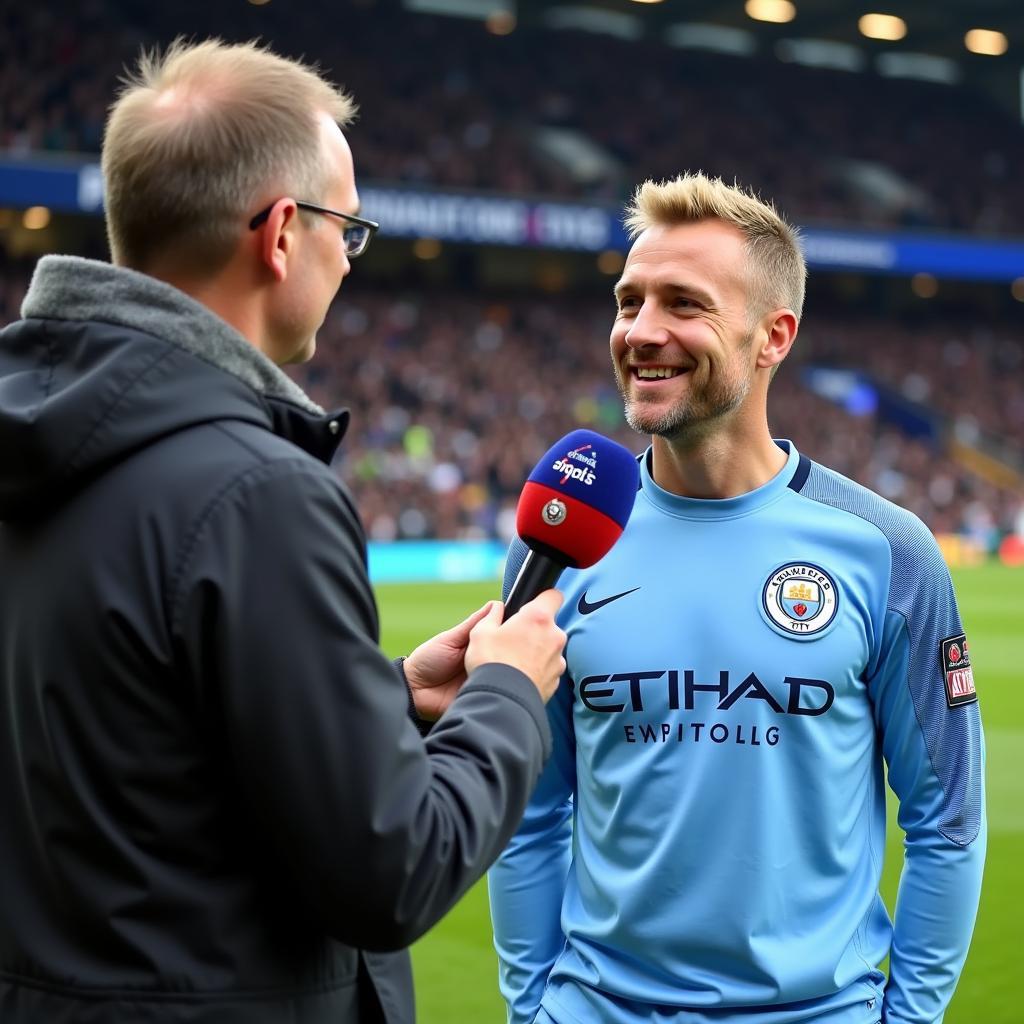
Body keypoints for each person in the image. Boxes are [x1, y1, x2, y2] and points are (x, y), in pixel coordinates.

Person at [0, 39, 568, 1024]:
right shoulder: (255, 491)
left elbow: (129, 748)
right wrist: (510, 693)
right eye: (347, 229)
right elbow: (391, 868)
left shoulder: (40, 439)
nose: (348, 259)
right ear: (278, 233)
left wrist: (380, 704)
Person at [489, 173, 985, 1024]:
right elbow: (529, 814)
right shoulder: (560, 546)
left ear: (773, 336)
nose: (642, 333)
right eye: (627, 301)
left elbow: (946, 819)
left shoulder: (886, 551)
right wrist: (533, 1006)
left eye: (684, 304)